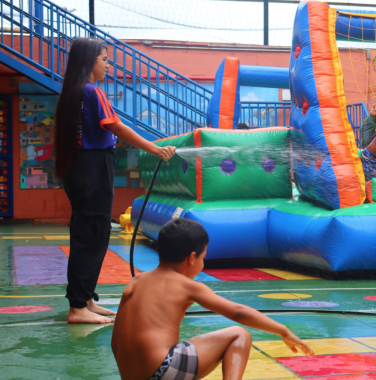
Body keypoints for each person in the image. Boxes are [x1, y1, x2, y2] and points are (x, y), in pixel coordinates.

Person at [53, 38, 176, 324]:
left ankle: (83, 299)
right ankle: (77, 308)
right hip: (93, 167)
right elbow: (116, 127)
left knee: (90, 232)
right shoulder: (92, 92)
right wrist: (154, 148)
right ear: (90, 61)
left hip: (80, 168)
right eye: (104, 59)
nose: (108, 65)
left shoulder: (73, 92)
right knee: (92, 234)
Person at [112, 219, 314, 380]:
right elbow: (239, 312)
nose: (202, 263)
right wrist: (284, 331)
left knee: (179, 353)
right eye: (203, 258)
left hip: (130, 375)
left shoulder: (135, 282)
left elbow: (115, 343)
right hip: (163, 370)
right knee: (238, 335)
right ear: (192, 258)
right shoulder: (187, 285)